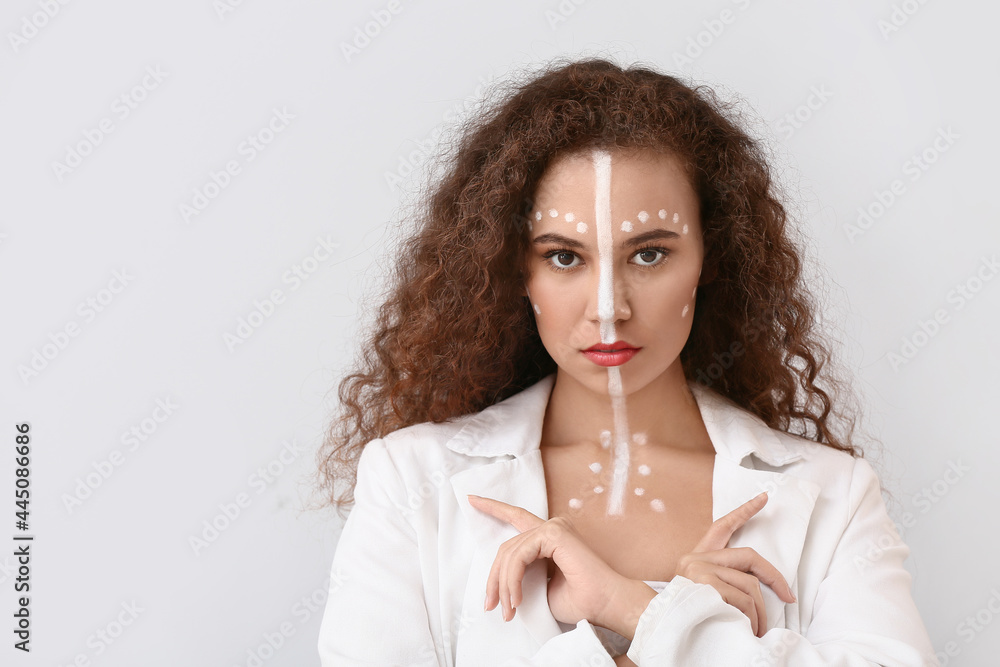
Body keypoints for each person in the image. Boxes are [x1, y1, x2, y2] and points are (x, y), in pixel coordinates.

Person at [314, 57, 936, 665]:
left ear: (710, 258)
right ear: (515, 269)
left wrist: (635, 609)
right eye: (564, 257)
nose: (608, 309)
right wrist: (674, 636)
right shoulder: (410, 481)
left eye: (649, 255)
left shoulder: (834, 495)